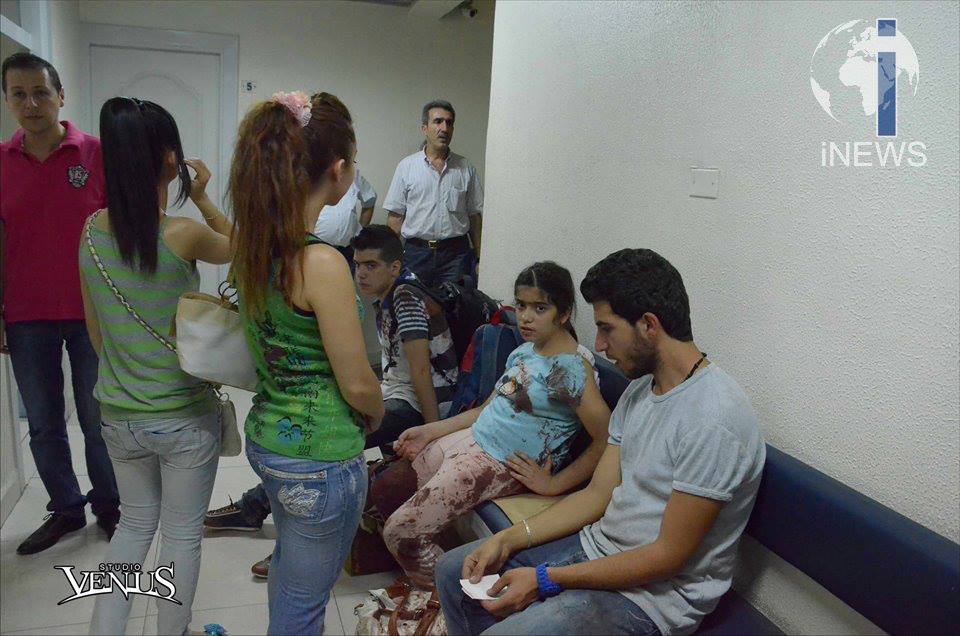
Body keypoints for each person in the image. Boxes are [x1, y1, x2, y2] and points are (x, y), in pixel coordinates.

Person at [435, 249, 767, 636]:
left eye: (607, 329)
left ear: (649, 325)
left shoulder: (714, 419)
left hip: (655, 597)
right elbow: (596, 496)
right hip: (599, 546)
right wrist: (508, 540)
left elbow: (667, 557)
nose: (600, 345)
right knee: (453, 572)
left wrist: (545, 579)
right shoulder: (640, 392)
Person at [229, 90, 384, 635]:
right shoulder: (320, 261)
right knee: (304, 604)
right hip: (320, 458)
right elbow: (357, 382)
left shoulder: (255, 246)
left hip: (268, 439)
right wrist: (377, 411)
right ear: (338, 170)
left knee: (291, 577)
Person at [81, 98, 233, 636]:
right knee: (182, 536)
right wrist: (205, 195)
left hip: (119, 415)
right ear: (170, 158)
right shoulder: (183, 233)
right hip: (182, 416)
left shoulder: (90, 233)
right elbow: (242, 247)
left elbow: (97, 334)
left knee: (133, 526)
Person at [379, 261, 611, 588]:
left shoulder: (568, 370)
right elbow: (489, 407)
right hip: (474, 441)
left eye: (540, 308)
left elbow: (607, 438)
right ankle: (445, 580)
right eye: (522, 305)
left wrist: (554, 484)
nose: (526, 317)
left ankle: (444, 599)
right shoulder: (525, 352)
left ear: (564, 314)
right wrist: (432, 430)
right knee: (401, 484)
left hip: (499, 463)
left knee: (399, 531)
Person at [0, 51, 120, 555]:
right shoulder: (1, 162)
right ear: (8, 101)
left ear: (61, 96)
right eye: (19, 94)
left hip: (93, 311)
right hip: (25, 314)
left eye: (40, 92)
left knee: (98, 418)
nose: (31, 104)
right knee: (44, 423)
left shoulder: (96, 154)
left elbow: (122, 233)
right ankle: (67, 509)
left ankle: (110, 506)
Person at [355, 224, 459, 448]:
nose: (361, 273)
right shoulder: (388, 294)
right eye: (358, 265)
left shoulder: (405, 297)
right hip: (397, 389)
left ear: (394, 267)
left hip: (422, 400)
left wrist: (432, 434)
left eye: (371, 265)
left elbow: (420, 370)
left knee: (348, 432)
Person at [383, 99, 483, 288]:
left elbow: (475, 217)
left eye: (449, 123)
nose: (444, 128)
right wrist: (389, 259)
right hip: (416, 254)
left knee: (454, 305)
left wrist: (480, 257)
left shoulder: (465, 168)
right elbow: (395, 218)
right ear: (424, 128)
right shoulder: (406, 167)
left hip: (455, 256)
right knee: (414, 303)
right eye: (438, 121)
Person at [313, 168, 377, 270]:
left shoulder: (353, 174)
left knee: (346, 279)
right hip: (315, 249)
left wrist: (361, 232)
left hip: (347, 251)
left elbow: (369, 199)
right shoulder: (309, 172)